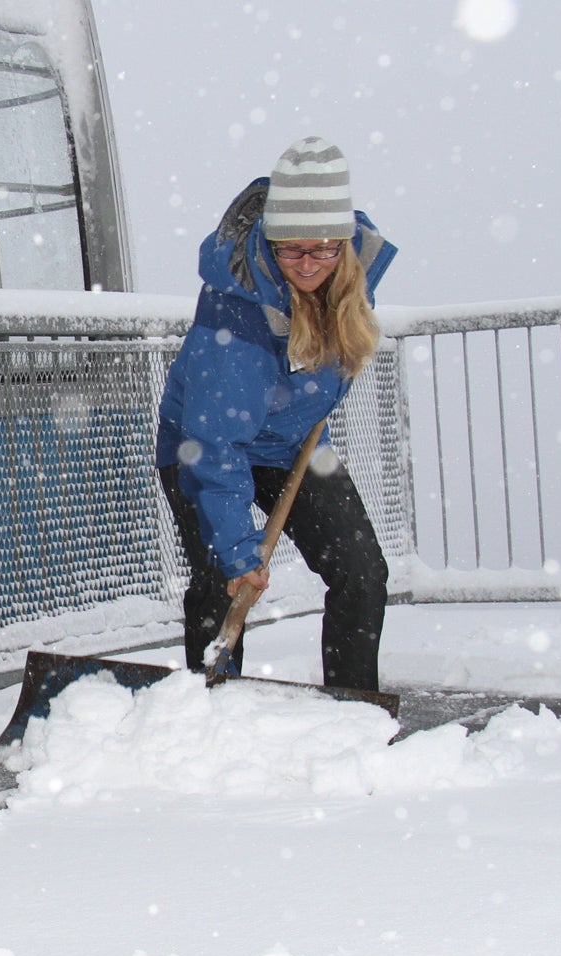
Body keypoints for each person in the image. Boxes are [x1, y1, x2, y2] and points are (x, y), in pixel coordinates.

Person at [154, 136, 397, 692]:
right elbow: (215, 447)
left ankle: (352, 706)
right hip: (204, 447)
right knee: (223, 580)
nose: (308, 264)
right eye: (291, 250)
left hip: (295, 445)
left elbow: (314, 383)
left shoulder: (351, 284)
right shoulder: (235, 314)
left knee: (361, 573)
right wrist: (242, 554)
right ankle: (210, 706)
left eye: (323, 249)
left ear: (344, 244)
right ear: (268, 240)